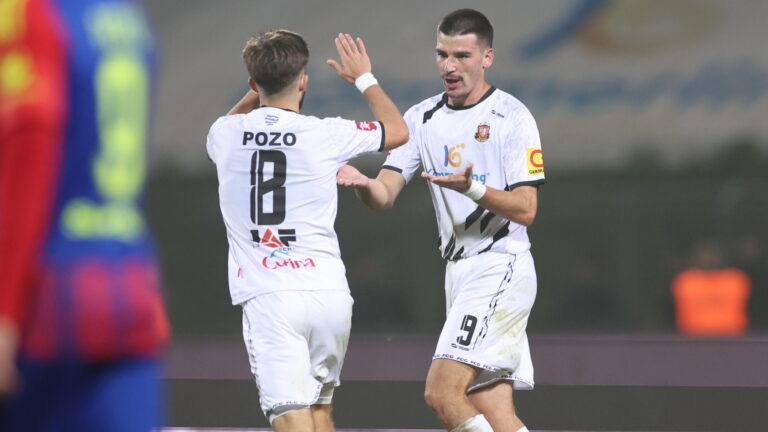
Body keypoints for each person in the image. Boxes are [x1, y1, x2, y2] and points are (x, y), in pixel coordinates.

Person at [337, 9, 544, 432]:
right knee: (492, 409)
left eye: (462, 56)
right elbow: (384, 195)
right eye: (442, 54)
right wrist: (363, 183)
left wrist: (471, 188)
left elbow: (526, 208)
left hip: (500, 264)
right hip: (459, 273)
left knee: (442, 393)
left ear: (487, 57)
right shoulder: (421, 119)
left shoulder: (512, 117)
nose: (449, 66)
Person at [206, 30, 408, 431]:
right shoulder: (326, 133)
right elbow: (397, 131)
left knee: (291, 418)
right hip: (329, 294)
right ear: (304, 81)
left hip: (271, 295)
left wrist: (261, 86)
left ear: (252, 83)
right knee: (319, 413)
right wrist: (364, 77)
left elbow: (238, 118)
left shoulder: (223, 135)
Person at [0, 0, 170, 431]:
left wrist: (5, 312)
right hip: (127, 286)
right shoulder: (124, 18)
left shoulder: (29, 14)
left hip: (45, 299)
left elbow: (27, 159)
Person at [671, 240, 751, 336]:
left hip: (732, 338)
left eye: (712, 253)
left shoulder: (736, 280)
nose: (709, 257)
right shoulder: (685, 282)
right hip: (693, 339)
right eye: (705, 253)